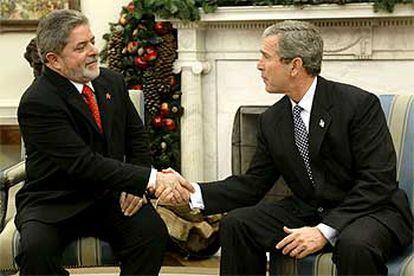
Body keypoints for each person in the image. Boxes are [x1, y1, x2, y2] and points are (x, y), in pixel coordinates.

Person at [159, 20, 413, 275]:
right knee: (238, 223)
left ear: (295, 65)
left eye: (266, 57)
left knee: (354, 244)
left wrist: (323, 231)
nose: (259, 65)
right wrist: (193, 192)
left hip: (370, 210)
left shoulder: (358, 105)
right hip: (311, 211)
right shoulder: (273, 120)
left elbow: (377, 182)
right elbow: (252, 185)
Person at [15, 9, 193, 275]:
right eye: (81, 47)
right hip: (54, 201)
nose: (94, 51)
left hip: (108, 196)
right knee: (35, 252)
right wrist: (152, 180)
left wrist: (135, 188)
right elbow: (84, 164)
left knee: (151, 233)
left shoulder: (111, 81)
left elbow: (137, 138)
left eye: (92, 41)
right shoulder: (38, 101)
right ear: (54, 60)